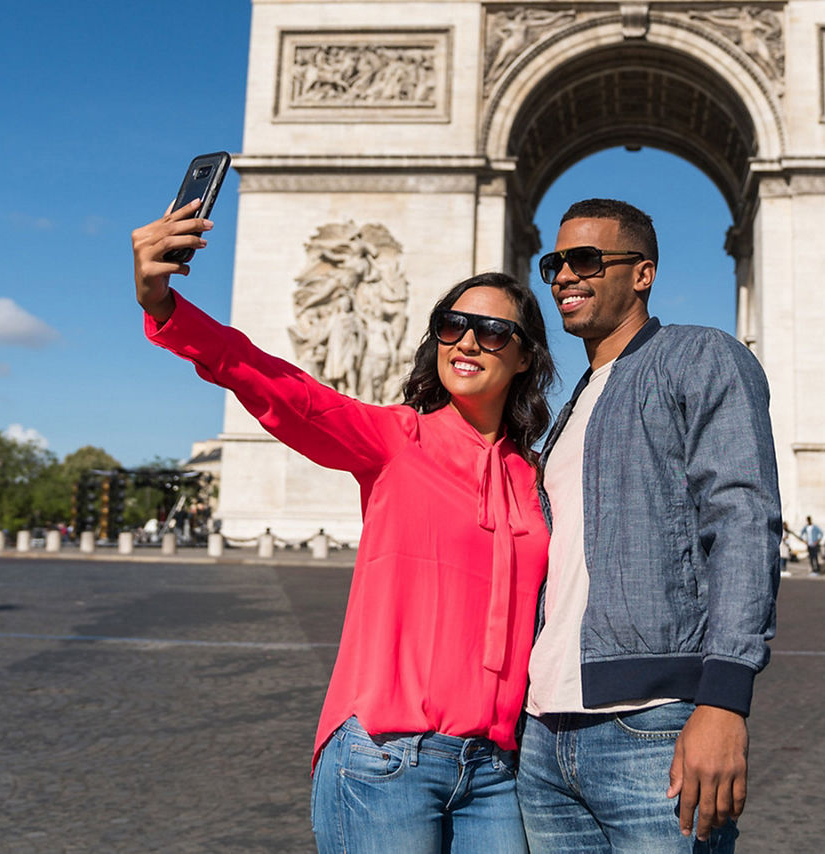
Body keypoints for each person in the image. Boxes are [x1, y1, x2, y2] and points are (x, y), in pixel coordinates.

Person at [133, 198, 557, 853]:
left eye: (493, 331)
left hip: (497, 771)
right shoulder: (395, 440)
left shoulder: (538, 481)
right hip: (385, 758)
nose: (469, 340)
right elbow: (287, 392)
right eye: (453, 325)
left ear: (526, 357)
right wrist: (168, 311)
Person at [516, 198, 781, 852]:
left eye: (585, 260)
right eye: (553, 264)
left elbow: (743, 520)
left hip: (653, 731)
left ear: (643, 273)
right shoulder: (571, 406)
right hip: (544, 736)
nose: (562, 278)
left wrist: (724, 701)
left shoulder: (700, 356)